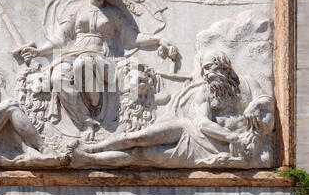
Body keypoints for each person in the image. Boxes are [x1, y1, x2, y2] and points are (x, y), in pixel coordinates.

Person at [17, 0, 177, 140]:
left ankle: (96, 106)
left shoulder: (114, 14)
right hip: (73, 54)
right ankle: (85, 121)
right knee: (57, 78)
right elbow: (61, 38)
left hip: (104, 58)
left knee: (83, 64)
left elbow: (133, 38)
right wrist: (38, 52)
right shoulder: (77, 10)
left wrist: (159, 39)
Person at [72, 50, 274, 167]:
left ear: (224, 67)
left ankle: (88, 159)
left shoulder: (247, 83)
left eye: (210, 69)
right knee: (140, 137)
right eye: (203, 70)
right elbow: (203, 122)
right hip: (192, 131)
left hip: (208, 150)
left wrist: (256, 104)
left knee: (140, 155)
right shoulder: (205, 91)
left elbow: (267, 100)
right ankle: (94, 147)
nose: (206, 75)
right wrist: (232, 137)